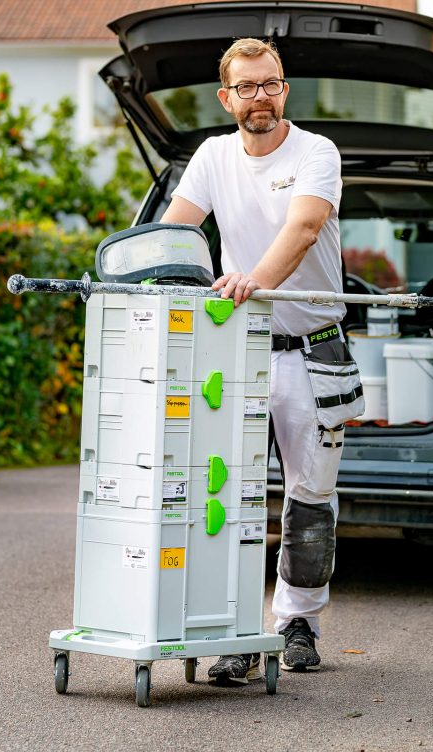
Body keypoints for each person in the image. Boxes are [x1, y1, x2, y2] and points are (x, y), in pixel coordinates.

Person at [161, 37, 364, 684]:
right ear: (226, 98)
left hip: (312, 351)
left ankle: (297, 623)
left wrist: (251, 282)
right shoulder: (213, 156)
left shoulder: (316, 152)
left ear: (284, 88)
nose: (261, 98)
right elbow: (178, 231)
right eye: (246, 88)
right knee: (230, 495)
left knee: (310, 497)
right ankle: (235, 632)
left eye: (270, 84)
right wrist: (152, 273)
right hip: (236, 350)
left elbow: (303, 230)